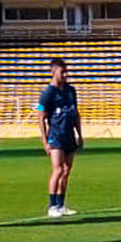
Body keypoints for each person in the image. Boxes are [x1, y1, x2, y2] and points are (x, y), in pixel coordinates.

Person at [38, 58, 83, 218]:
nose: (65, 75)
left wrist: (79, 134)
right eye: (61, 72)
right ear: (52, 72)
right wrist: (45, 141)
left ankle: (61, 204)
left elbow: (76, 113)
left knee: (66, 171)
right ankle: (52, 206)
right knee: (57, 170)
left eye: (66, 72)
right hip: (56, 137)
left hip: (69, 136)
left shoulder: (71, 91)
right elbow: (41, 118)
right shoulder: (47, 93)